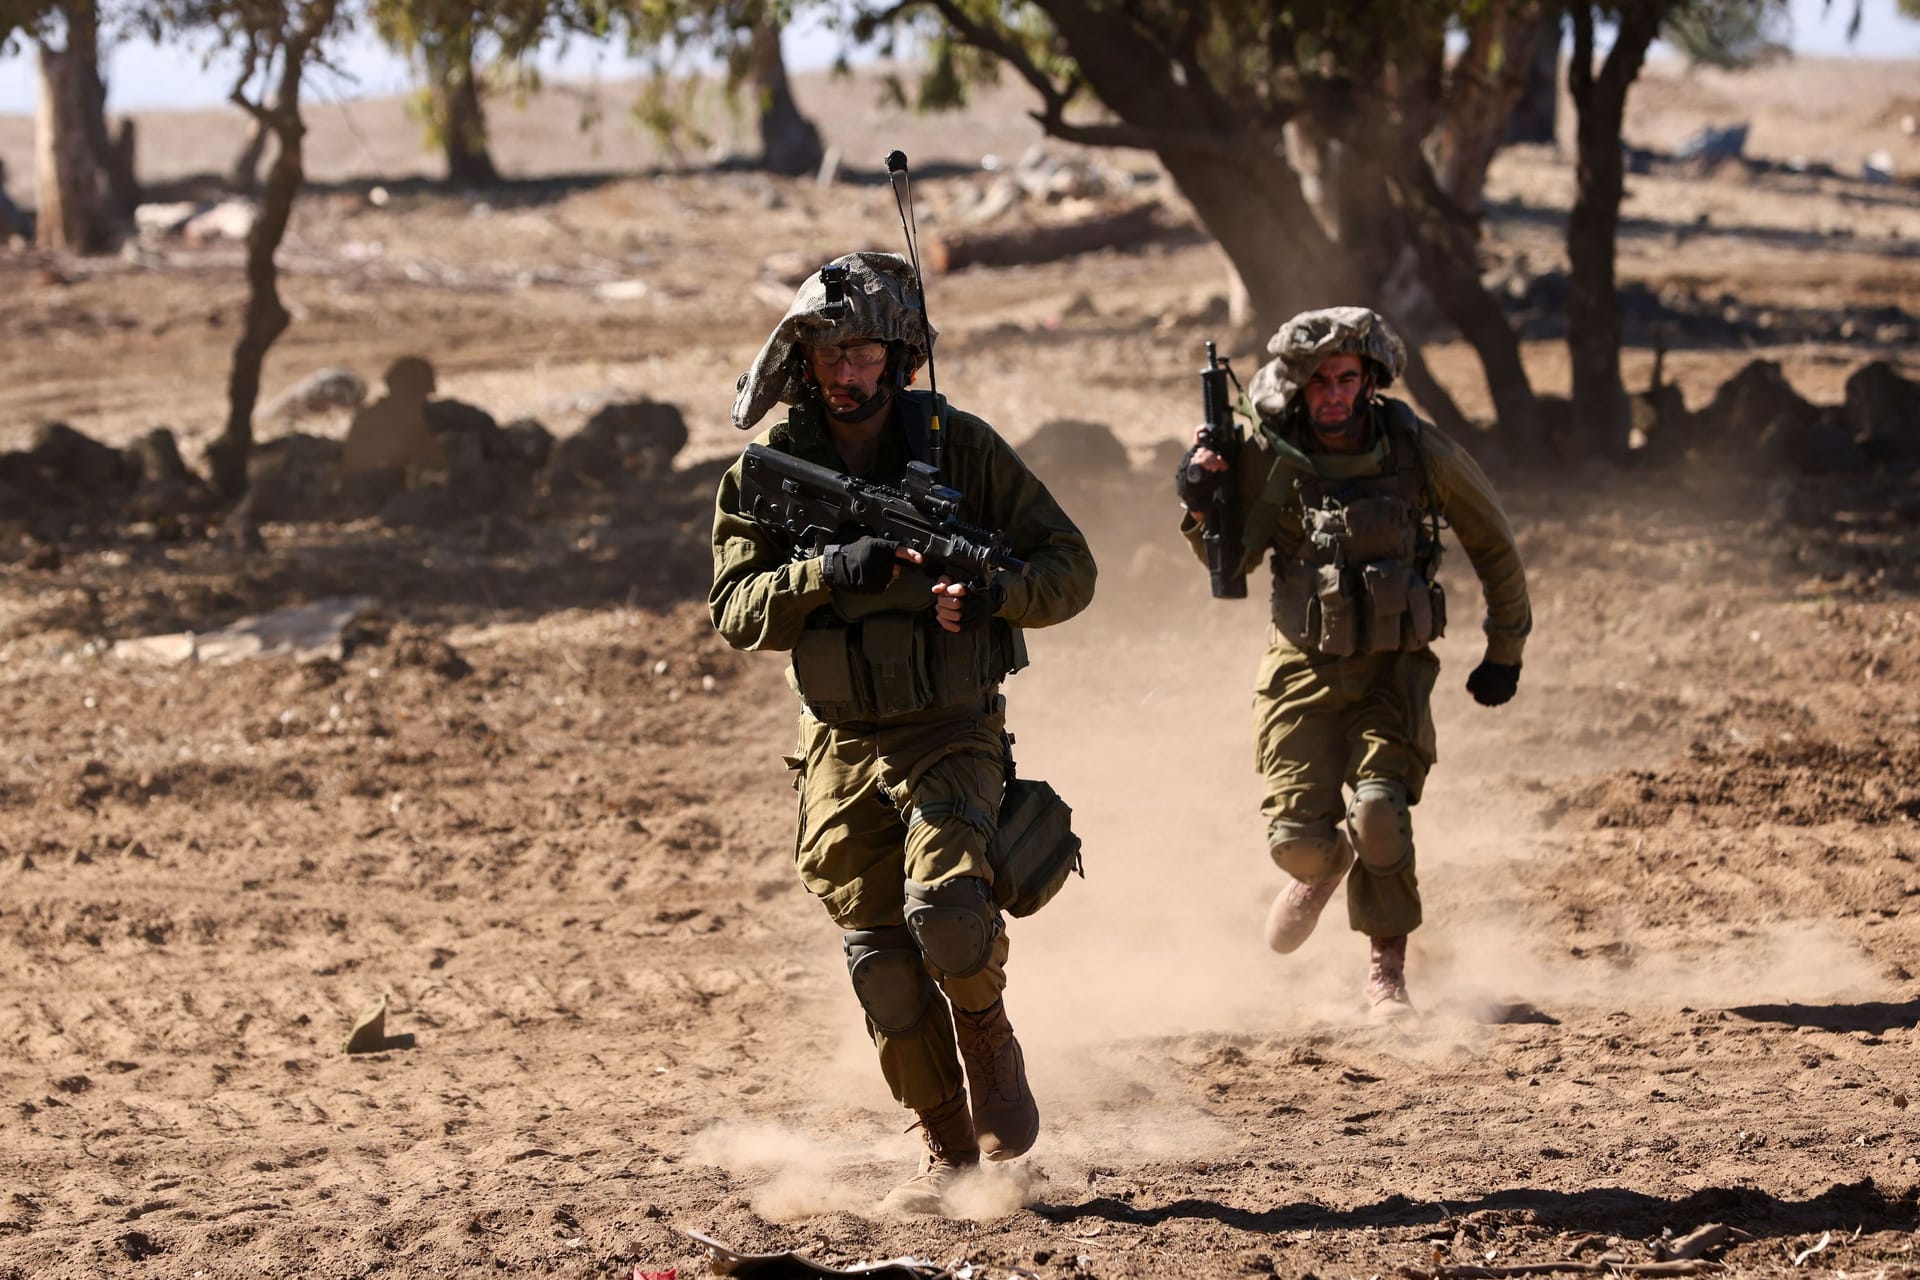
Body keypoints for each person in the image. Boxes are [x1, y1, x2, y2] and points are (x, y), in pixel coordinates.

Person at [711, 252, 1096, 1214]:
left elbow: (1070, 568)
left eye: (866, 353)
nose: (848, 373)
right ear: (806, 361)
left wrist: (993, 595)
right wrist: (824, 573)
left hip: (951, 729)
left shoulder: (958, 447)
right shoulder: (769, 472)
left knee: (951, 916)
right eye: (830, 354)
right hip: (840, 746)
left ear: (898, 356)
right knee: (881, 966)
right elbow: (733, 608)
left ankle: (991, 1045)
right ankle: (947, 1154)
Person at [1177, 307, 1530, 1019]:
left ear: (1370, 380)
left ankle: (1386, 976)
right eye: (1319, 382)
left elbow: (1493, 543)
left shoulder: (1415, 452)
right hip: (1300, 668)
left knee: (1379, 813)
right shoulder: (1275, 455)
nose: (1333, 394)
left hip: (1392, 670)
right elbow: (1233, 562)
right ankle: (1321, 871)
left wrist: (1505, 651)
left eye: (1346, 378)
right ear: (1298, 386)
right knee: (1300, 846)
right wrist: (1199, 500)